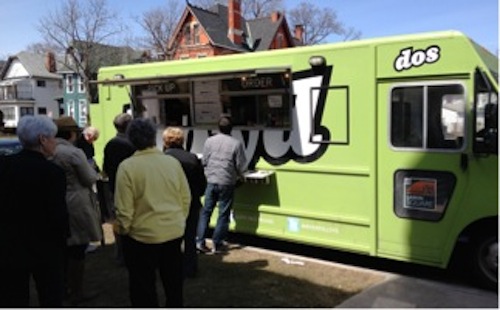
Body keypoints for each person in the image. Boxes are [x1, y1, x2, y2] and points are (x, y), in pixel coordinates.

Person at [114, 118, 191, 307]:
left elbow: (124, 209)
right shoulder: (171, 163)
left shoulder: (127, 167)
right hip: (173, 232)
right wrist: (180, 220)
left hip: (141, 236)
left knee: (143, 288)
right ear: (154, 137)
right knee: (174, 286)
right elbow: (185, 198)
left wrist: (123, 230)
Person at [0, 115, 69, 307]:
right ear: (42, 139)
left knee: (13, 297)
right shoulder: (52, 172)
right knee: (50, 296)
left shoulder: (4, 165)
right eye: (53, 138)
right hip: (45, 245)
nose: (55, 143)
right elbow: (58, 213)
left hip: (9, 243)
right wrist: (63, 238)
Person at [51, 116, 103, 305]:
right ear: (72, 133)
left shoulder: (48, 150)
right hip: (76, 201)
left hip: (55, 200)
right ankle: (76, 291)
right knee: (77, 248)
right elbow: (89, 178)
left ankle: (62, 287)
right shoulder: (73, 153)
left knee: (61, 249)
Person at [196, 116, 247, 254]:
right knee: (223, 213)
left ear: (218, 128)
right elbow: (241, 166)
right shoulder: (236, 144)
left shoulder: (209, 141)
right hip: (226, 182)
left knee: (206, 212)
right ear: (232, 129)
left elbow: (204, 161)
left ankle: (200, 242)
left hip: (211, 181)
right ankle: (217, 244)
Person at [163, 127, 207, 278]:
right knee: (190, 238)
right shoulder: (192, 158)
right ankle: (190, 268)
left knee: (170, 239)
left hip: (168, 204)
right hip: (191, 203)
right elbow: (202, 184)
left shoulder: (162, 160)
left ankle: (171, 267)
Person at [102, 113, 136, 265]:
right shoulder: (133, 144)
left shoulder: (110, 144)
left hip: (115, 187)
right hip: (133, 188)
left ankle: (120, 254)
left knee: (119, 221)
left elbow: (106, 168)